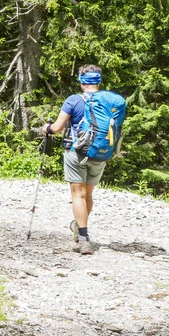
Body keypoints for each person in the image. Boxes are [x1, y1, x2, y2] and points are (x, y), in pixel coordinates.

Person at [42, 64, 124, 255]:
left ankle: (83, 239)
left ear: (81, 81)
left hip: (77, 152)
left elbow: (57, 128)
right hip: (100, 154)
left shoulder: (74, 100)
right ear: (99, 81)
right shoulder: (108, 102)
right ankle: (79, 228)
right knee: (88, 195)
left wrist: (47, 128)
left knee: (78, 195)